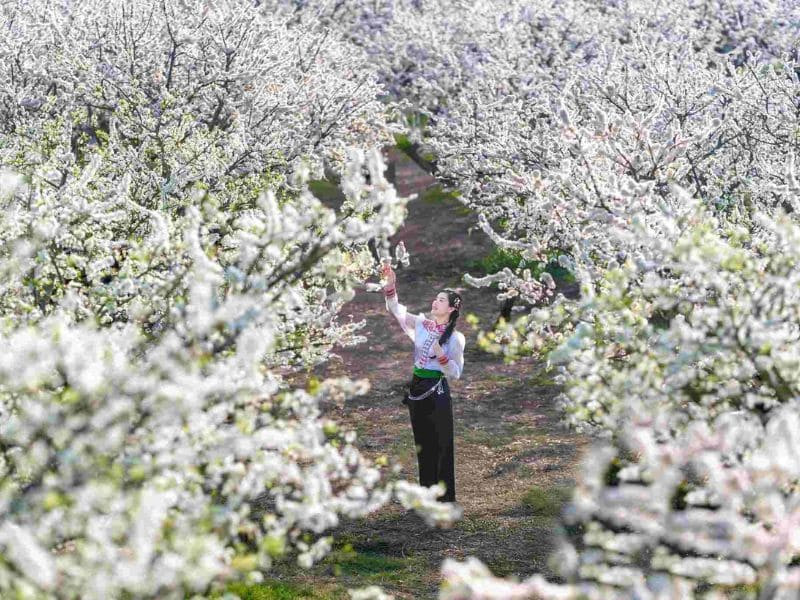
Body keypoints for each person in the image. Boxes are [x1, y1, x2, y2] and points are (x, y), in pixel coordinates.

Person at [381, 262, 465, 503]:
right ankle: (426, 496)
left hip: (437, 391)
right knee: (422, 443)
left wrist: (442, 356)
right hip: (417, 387)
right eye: (436, 298)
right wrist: (390, 285)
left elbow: (455, 373)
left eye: (441, 300)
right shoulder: (422, 324)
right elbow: (395, 310)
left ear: (450, 309)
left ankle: (445, 500)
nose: (435, 302)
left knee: (441, 444)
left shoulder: (456, 339)